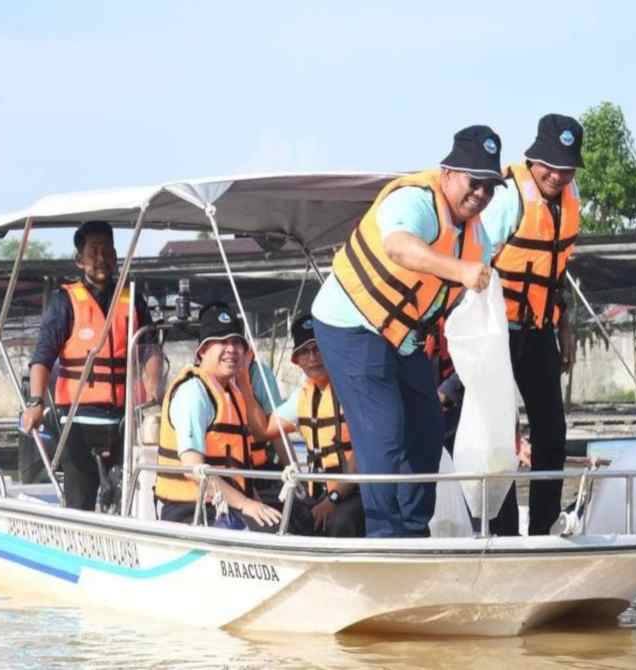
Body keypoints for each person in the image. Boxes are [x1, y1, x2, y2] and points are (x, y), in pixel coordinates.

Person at [311, 125, 502, 538]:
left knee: (427, 429)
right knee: (384, 431)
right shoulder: (415, 201)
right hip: (350, 321)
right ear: (449, 172)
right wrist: (462, 271)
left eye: (491, 187)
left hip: (400, 334)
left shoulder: (476, 237)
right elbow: (400, 247)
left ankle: (414, 531)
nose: (482, 194)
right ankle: (384, 536)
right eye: (475, 181)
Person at [479, 113, 583, 535]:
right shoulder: (508, 196)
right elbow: (474, 260)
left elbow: (559, 272)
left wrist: (567, 327)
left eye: (566, 167)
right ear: (533, 158)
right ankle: (501, 529)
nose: (557, 175)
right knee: (500, 433)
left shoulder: (570, 197)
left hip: (540, 329)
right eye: (550, 165)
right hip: (499, 331)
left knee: (552, 432)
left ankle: (543, 526)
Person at [21, 221, 160, 511]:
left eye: (107, 251)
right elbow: (42, 357)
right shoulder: (65, 301)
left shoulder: (133, 299)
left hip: (125, 417)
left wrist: (154, 392)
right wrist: (35, 402)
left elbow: (150, 350)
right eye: (94, 251)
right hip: (78, 419)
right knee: (80, 498)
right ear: (79, 260)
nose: (102, 258)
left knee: (129, 498)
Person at [154, 302, 282, 531]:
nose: (231, 349)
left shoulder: (233, 393)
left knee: (292, 517)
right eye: (222, 342)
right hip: (191, 509)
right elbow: (193, 468)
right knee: (270, 530)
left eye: (236, 343)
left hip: (227, 504)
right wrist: (246, 504)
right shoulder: (193, 392)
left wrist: (253, 502)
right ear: (202, 351)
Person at [251, 314, 365, 537]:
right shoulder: (301, 398)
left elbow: (364, 452)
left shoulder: (354, 390)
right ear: (296, 360)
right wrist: (246, 383)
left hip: (357, 491)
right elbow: (263, 430)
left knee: (338, 522)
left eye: (318, 348)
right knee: (280, 516)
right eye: (305, 351)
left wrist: (334, 498)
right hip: (319, 493)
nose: (313, 357)